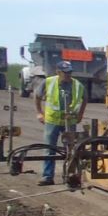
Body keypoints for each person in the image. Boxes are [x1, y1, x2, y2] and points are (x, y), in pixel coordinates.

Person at [35, 58, 85, 186]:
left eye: (70, 72)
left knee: (71, 149)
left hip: (70, 121)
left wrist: (80, 114)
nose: (68, 75)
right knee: (49, 149)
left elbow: (85, 99)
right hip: (52, 121)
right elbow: (37, 96)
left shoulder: (77, 85)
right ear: (58, 72)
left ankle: (70, 176)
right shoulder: (48, 82)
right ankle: (47, 176)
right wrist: (40, 113)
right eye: (65, 72)